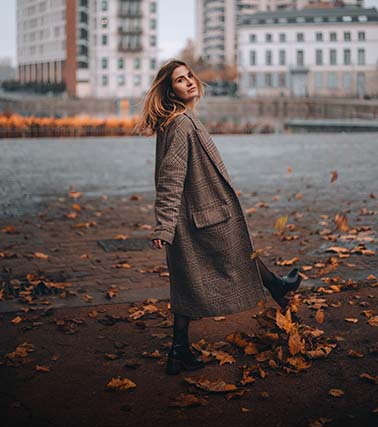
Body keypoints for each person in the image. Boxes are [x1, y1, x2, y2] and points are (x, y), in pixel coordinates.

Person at [138, 59, 302, 375]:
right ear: (169, 90)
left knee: (199, 275)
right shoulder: (182, 123)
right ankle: (276, 287)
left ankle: (180, 350)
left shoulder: (180, 120)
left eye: (189, 76)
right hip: (202, 214)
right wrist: (164, 224)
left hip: (202, 212)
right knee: (208, 273)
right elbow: (170, 176)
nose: (188, 82)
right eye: (179, 80)